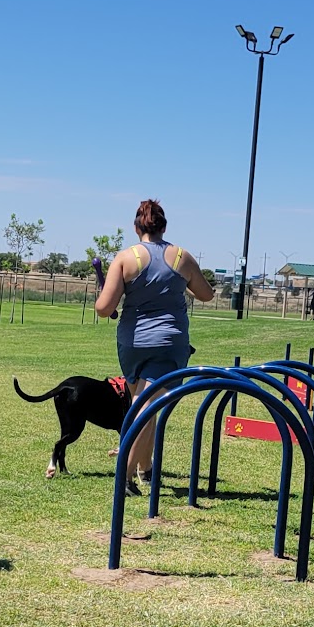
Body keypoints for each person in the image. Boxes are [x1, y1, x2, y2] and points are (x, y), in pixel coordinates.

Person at [95, 199, 214, 487]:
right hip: (168, 341)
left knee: (145, 404)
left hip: (133, 342)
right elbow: (206, 294)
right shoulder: (181, 257)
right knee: (146, 406)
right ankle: (125, 475)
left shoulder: (125, 258)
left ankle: (144, 469)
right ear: (164, 227)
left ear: (137, 228)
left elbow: (103, 308)